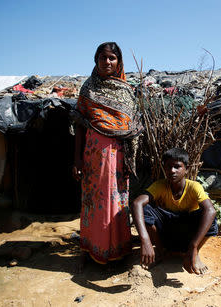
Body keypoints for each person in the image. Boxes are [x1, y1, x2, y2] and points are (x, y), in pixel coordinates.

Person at [72, 42, 141, 268]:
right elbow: (79, 125)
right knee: (94, 202)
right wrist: (77, 159)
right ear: (96, 60)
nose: (107, 62)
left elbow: (132, 126)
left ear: (119, 62)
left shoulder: (126, 91)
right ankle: (93, 249)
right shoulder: (88, 88)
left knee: (117, 200)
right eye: (103, 57)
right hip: (94, 154)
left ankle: (117, 251)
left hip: (120, 155)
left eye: (112, 58)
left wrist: (131, 158)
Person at [131, 148, 218, 275]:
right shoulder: (160, 185)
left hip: (188, 237)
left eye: (177, 167)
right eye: (168, 167)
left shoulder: (194, 187)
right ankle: (160, 252)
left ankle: (194, 253)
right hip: (166, 236)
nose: (172, 171)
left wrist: (193, 246)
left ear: (186, 169)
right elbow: (137, 203)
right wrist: (145, 240)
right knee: (145, 209)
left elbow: (211, 210)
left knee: (210, 217)